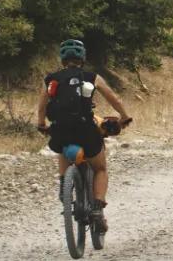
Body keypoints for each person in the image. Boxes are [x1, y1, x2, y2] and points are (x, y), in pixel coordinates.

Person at [37, 39, 132, 233]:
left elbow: (42, 106)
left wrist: (42, 125)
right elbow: (114, 98)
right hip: (85, 130)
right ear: (83, 58)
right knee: (100, 168)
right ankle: (97, 209)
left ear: (62, 59)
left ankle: (65, 186)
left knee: (62, 144)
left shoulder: (50, 80)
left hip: (60, 130)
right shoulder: (91, 77)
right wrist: (125, 117)